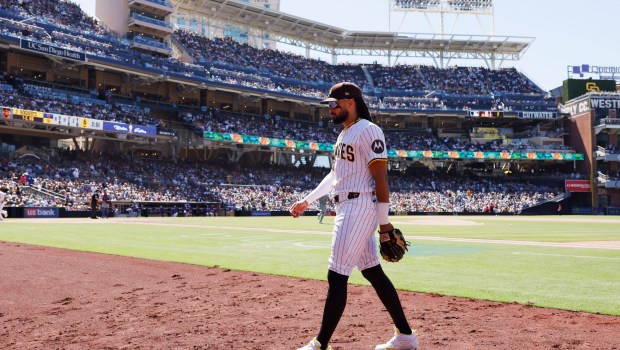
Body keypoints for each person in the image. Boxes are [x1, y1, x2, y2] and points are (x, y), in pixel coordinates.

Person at [289, 82, 418, 350]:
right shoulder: (344, 135)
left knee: (337, 275)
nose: (331, 110)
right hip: (348, 205)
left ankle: (320, 344)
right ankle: (406, 336)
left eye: (334, 104)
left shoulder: (369, 130)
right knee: (373, 272)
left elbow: (381, 179)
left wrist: (384, 224)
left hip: (359, 207)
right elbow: (335, 175)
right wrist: (307, 200)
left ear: (351, 102)